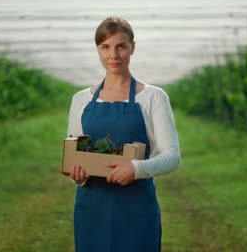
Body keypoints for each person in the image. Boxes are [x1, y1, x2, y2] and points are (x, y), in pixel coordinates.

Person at [65, 16, 180, 252]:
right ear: (98, 49)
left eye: (121, 46)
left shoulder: (153, 97)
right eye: (105, 47)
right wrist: (76, 175)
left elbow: (172, 156)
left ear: (132, 48)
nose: (113, 56)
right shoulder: (81, 100)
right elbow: (75, 154)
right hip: (92, 207)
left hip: (136, 207)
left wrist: (136, 169)